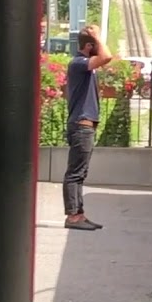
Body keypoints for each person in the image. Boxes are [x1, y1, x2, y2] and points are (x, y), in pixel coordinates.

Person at [63, 25, 114, 231]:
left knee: (80, 172)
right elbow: (107, 57)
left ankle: (79, 214)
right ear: (89, 45)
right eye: (96, 43)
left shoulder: (86, 66)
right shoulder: (78, 63)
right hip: (81, 126)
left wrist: (96, 38)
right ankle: (73, 216)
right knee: (75, 173)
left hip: (85, 126)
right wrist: (97, 37)